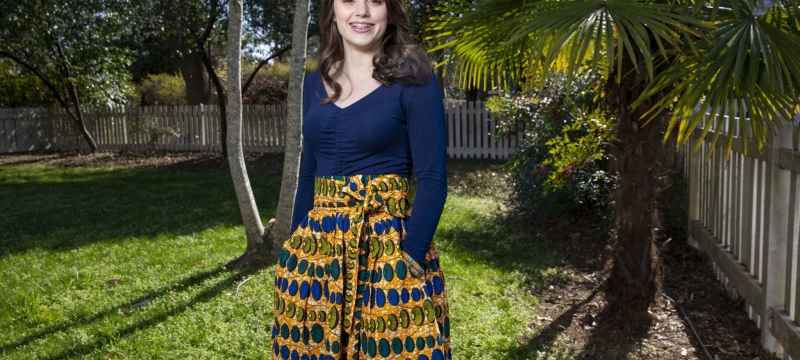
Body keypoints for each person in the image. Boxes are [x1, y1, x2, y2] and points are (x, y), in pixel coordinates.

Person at [270, 0, 451, 359]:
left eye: (375, 1)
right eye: (349, 0)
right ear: (333, 11)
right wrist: (293, 248)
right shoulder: (314, 83)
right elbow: (310, 171)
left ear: (390, 11)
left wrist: (410, 258)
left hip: (387, 249)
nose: (362, 11)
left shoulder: (414, 78)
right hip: (317, 252)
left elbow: (433, 179)